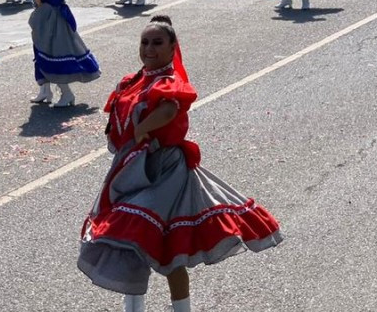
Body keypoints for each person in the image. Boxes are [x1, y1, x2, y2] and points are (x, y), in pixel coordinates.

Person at [78, 16, 283, 312]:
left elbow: (169, 110)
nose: (149, 48)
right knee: (132, 242)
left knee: (159, 243)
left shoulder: (169, 82)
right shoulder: (131, 81)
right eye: (145, 42)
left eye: (157, 43)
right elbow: (117, 120)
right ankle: (134, 308)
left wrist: (142, 128)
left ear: (173, 47)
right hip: (130, 169)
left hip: (163, 171)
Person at [29, 0, 100, 108]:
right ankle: (45, 90)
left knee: (54, 52)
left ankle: (66, 93)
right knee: (40, 49)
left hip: (55, 18)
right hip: (48, 15)